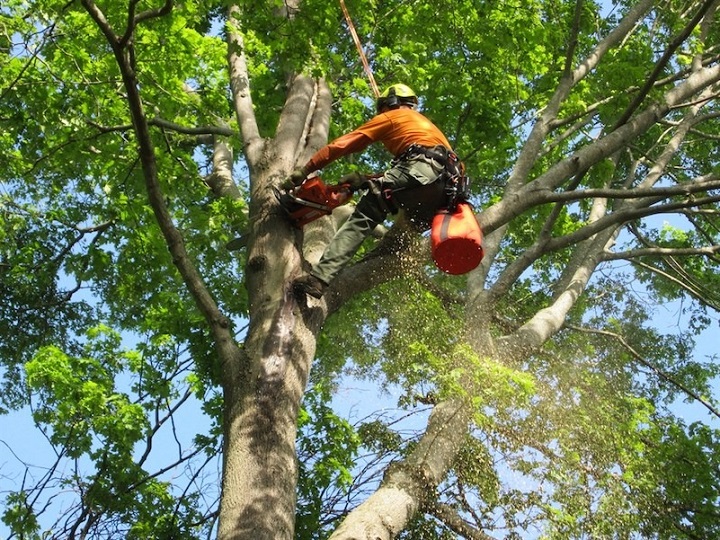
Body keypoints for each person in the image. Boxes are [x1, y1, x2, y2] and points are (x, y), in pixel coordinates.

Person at [286, 83, 462, 299]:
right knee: (395, 235)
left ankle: (319, 279)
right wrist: (362, 180)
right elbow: (409, 176)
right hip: (444, 195)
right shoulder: (426, 129)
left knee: (367, 213)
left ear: (391, 103)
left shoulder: (392, 116)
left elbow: (344, 144)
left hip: (422, 172)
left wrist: (306, 169)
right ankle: (379, 258)